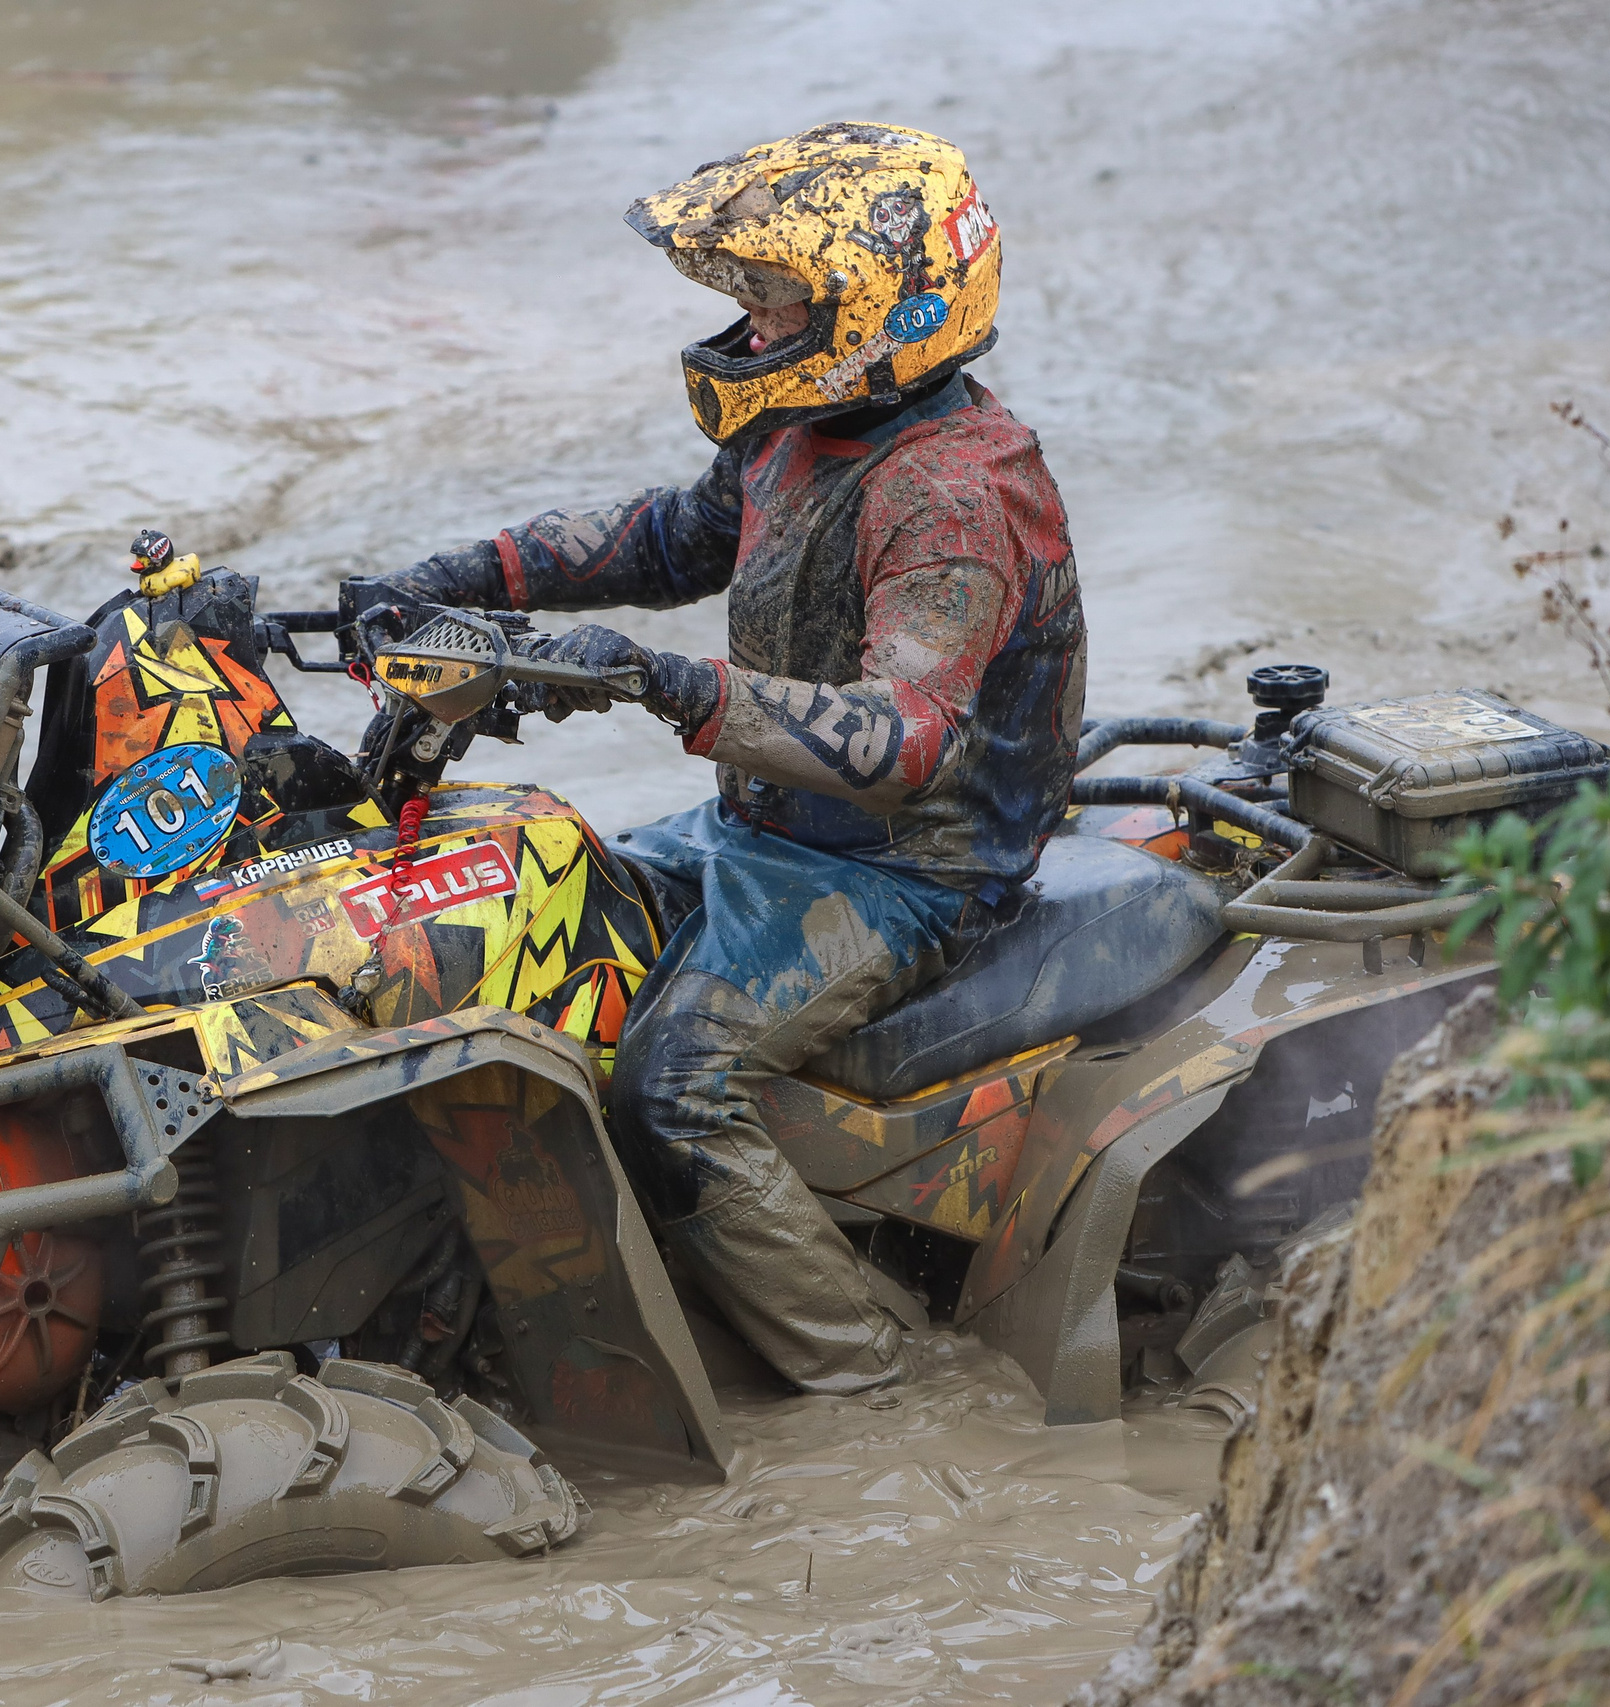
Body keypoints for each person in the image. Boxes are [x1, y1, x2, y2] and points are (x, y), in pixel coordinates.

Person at [341, 122, 1088, 1395]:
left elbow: (900, 742)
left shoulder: (955, 495)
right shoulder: (802, 421)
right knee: (536, 911)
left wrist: (662, 681)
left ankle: (875, 1391)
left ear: (878, 303)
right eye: (742, 295)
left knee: (673, 1085)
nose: (749, 323)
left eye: (775, 295)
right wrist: (460, 577)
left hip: (910, 873)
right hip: (764, 837)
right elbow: (671, 536)